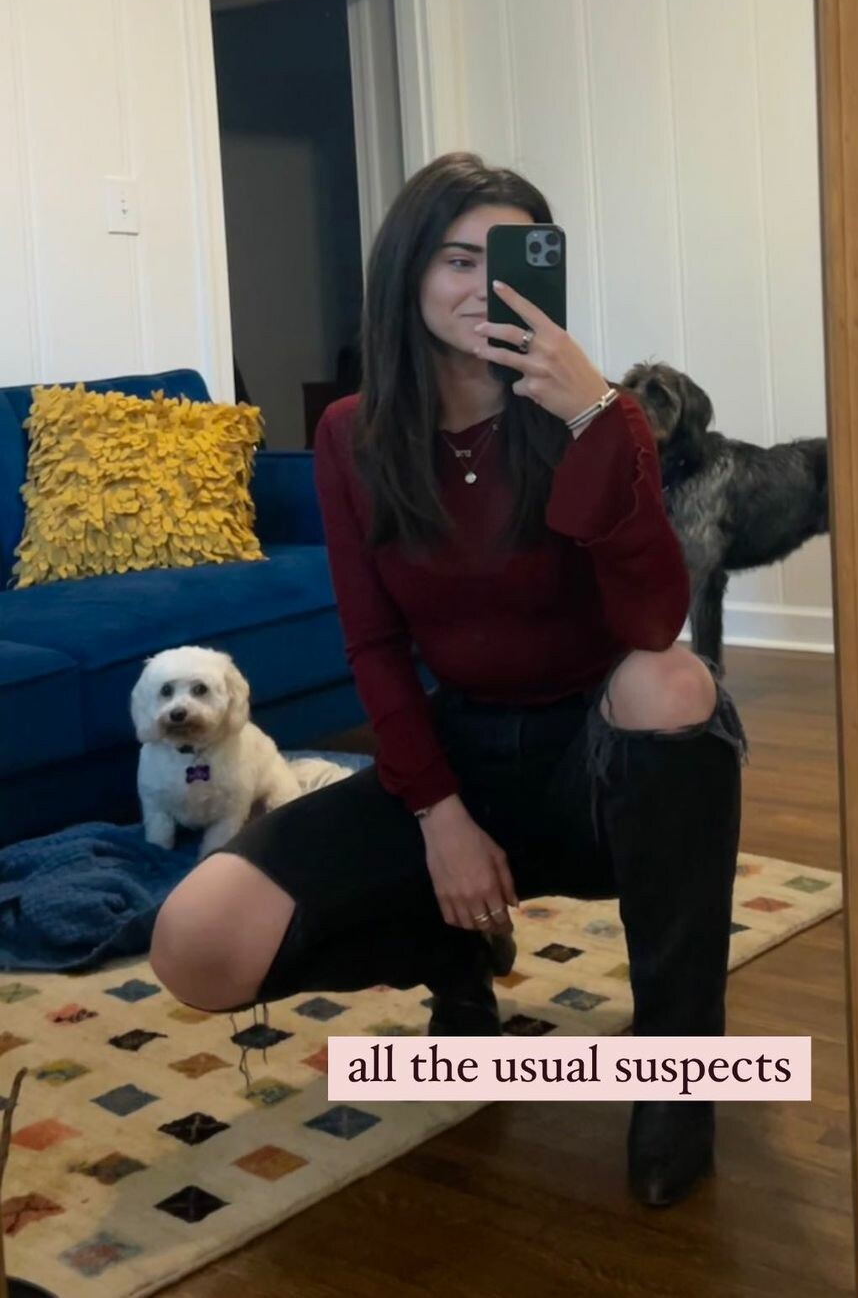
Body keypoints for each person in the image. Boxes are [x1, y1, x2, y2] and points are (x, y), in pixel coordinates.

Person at [151, 152, 746, 1209]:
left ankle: (678, 1068)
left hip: (601, 754)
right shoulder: (352, 434)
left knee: (672, 679)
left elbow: (655, 621)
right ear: (410, 273)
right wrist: (437, 813)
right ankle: (454, 951)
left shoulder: (599, 415)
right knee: (197, 943)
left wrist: (594, 421)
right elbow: (374, 642)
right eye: (458, 259)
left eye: (508, 261)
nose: (483, 286)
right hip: (461, 745)